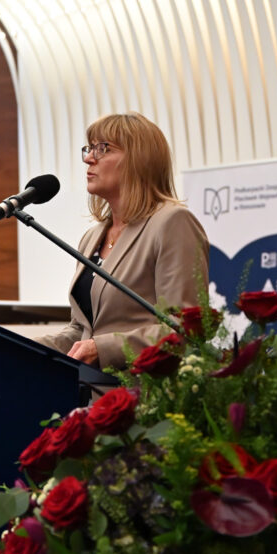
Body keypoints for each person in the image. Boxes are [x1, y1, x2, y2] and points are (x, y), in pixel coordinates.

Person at [35, 112, 209, 370]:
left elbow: (186, 330)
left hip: (145, 390)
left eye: (102, 148)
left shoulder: (172, 223)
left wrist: (103, 348)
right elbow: (82, 332)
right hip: (90, 392)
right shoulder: (91, 238)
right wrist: (19, 345)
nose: (89, 158)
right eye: (89, 148)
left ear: (138, 160)